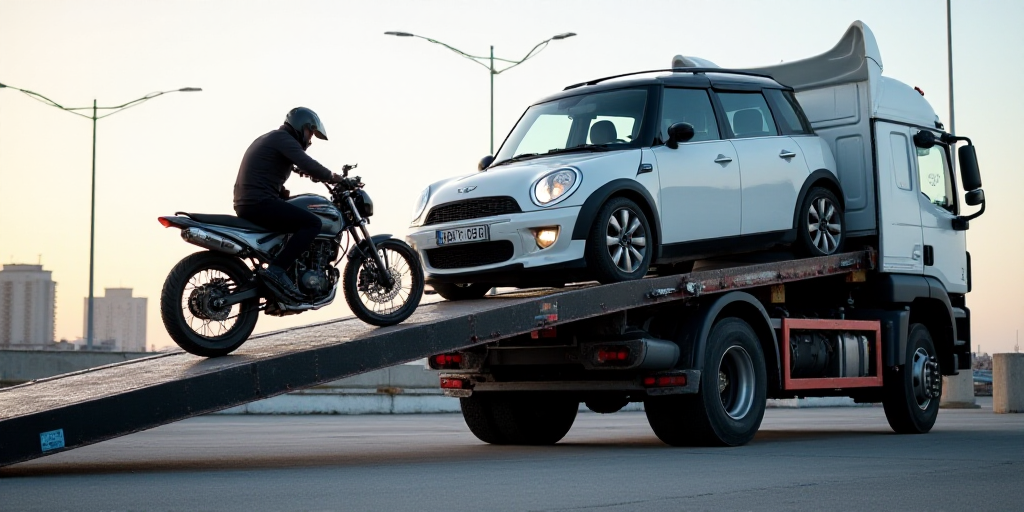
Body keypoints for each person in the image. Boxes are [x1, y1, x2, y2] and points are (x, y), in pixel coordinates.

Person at [233, 107, 344, 300]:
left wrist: (285, 193)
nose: (310, 140)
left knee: (294, 213)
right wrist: (334, 177)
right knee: (312, 223)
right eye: (310, 133)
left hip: (249, 203)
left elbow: (267, 172)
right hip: (259, 203)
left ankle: (285, 273)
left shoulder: (271, 139)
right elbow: (306, 162)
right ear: (302, 126)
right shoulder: (284, 140)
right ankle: (276, 270)